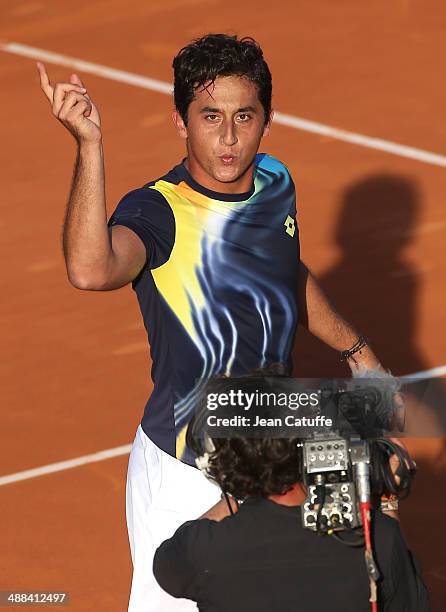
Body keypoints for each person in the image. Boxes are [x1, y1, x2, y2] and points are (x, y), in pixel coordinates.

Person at [37, 33, 386, 611]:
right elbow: (90, 268)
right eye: (210, 117)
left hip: (276, 453)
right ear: (180, 121)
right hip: (185, 473)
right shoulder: (157, 212)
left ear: (267, 121)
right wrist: (91, 147)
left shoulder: (275, 183)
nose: (228, 138)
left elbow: (286, 273)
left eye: (243, 116)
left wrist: (360, 354)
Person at [153, 430, 429, 612]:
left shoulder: (205, 550)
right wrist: (386, 498)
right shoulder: (375, 538)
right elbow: (410, 602)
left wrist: (238, 490)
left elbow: (167, 566)